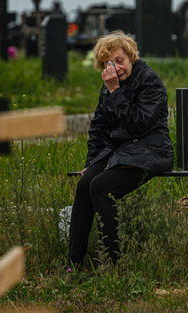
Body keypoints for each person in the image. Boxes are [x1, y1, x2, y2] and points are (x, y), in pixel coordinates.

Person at [67, 31, 173, 268]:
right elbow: (98, 128)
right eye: (108, 64)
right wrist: (91, 162)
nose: (115, 68)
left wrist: (115, 92)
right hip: (120, 152)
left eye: (120, 60)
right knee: (85, 185)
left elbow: (138, 124)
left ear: (131, 56)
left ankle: (112, 261)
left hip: (150, 151)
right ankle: (74, 262)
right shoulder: (109, 86)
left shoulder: (150, 82)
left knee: (101, 186)